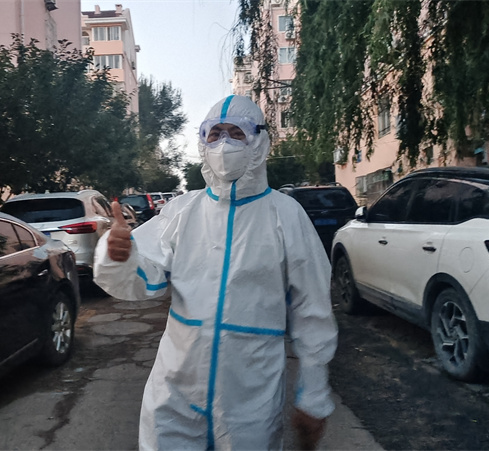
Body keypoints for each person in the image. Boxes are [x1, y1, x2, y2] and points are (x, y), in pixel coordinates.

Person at [93, 95, 338, 450]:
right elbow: (145, 277)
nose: (224, 145)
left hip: (250, 395)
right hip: (175, 391)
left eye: (236, 133)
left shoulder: (286, 215)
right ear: (202, 143)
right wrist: (120, 255)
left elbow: (312, 309)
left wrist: (313, 393)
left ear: (259, 141)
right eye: (214, 134)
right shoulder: (181, 212)